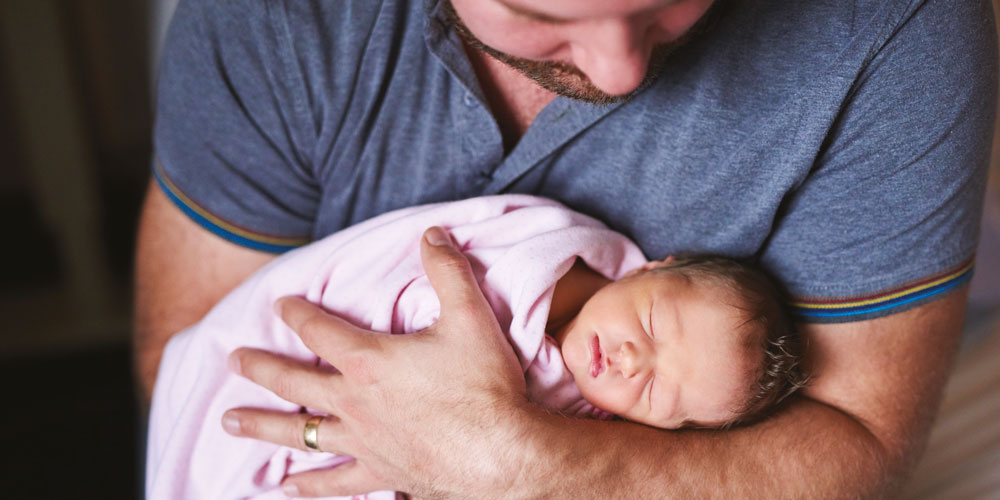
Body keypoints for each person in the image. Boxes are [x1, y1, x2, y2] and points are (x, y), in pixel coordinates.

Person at [134, 0, 997, 497]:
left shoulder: (896, 28)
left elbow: (857, 444)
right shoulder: (284, 19)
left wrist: (524, 466)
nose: (621, 74)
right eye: (540, 12)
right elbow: (192, 354)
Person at [145, 196, 804, 499]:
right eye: (655, 325)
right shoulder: (545, 255)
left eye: (658, 393)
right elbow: (405, 290)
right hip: (303, 348)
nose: (634, 361)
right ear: (650, 269)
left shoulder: (591, 424)